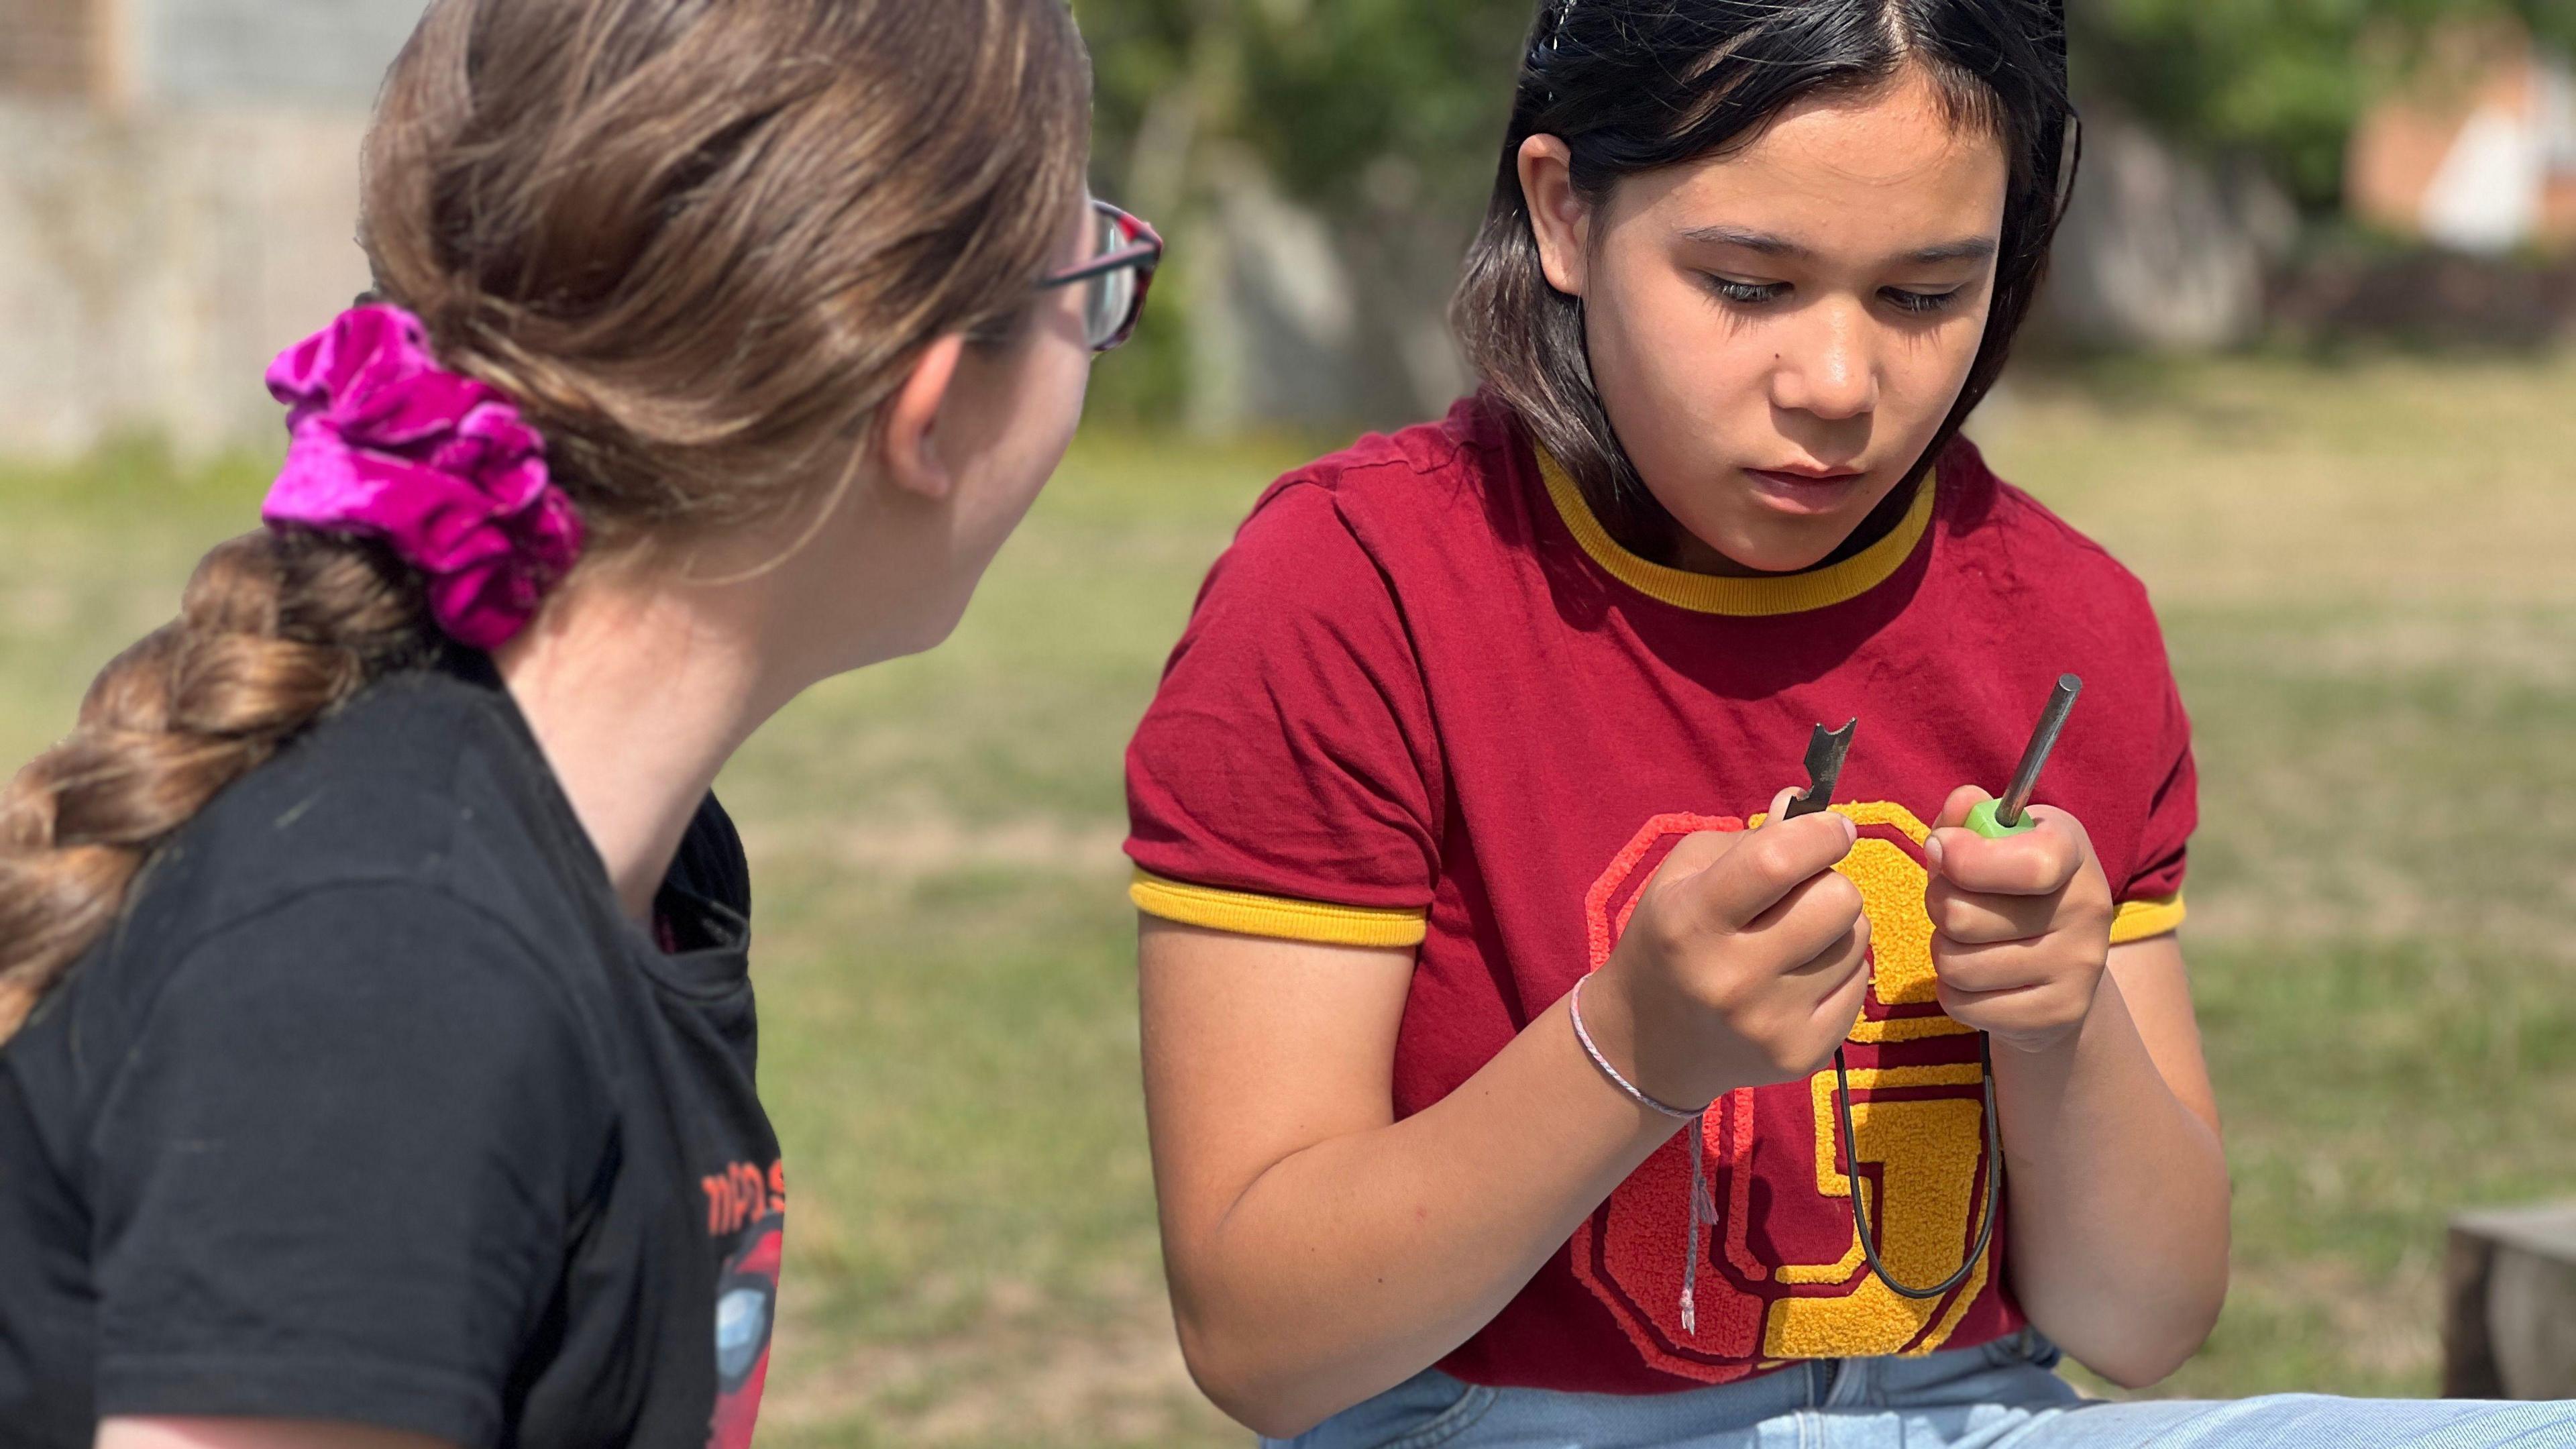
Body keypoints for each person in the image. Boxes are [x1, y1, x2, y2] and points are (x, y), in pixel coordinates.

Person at [1123, 3, 2571, 1446]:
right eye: (1749, 285)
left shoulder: (2071, 621)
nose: (1837, 388)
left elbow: (2144, 1321)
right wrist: (1629, 1052)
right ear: (1564, 213)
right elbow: (1264, 1343)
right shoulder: (1354, 589)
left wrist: (2062, 1026)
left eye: (1926, 297)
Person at [0, 1, 1160, 1446]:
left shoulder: (643, 868)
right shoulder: (386, 964)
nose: (1102, 326)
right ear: (927, 405)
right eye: (1098, 272)